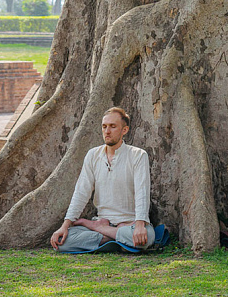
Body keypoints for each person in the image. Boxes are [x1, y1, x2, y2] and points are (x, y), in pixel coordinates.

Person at [50, 107, 154, 252]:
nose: (107, 131)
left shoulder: (138, 155)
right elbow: (81, 192)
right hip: (104, 221)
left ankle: (103, 233)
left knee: (147, 238)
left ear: (124, 130)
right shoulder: (93, 155)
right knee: (64, 241)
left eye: (113, 126)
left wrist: (140, 225)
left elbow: (142, 193)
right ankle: (116, 238)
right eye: (104, 127)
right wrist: (65, 225)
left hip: (130, 224)